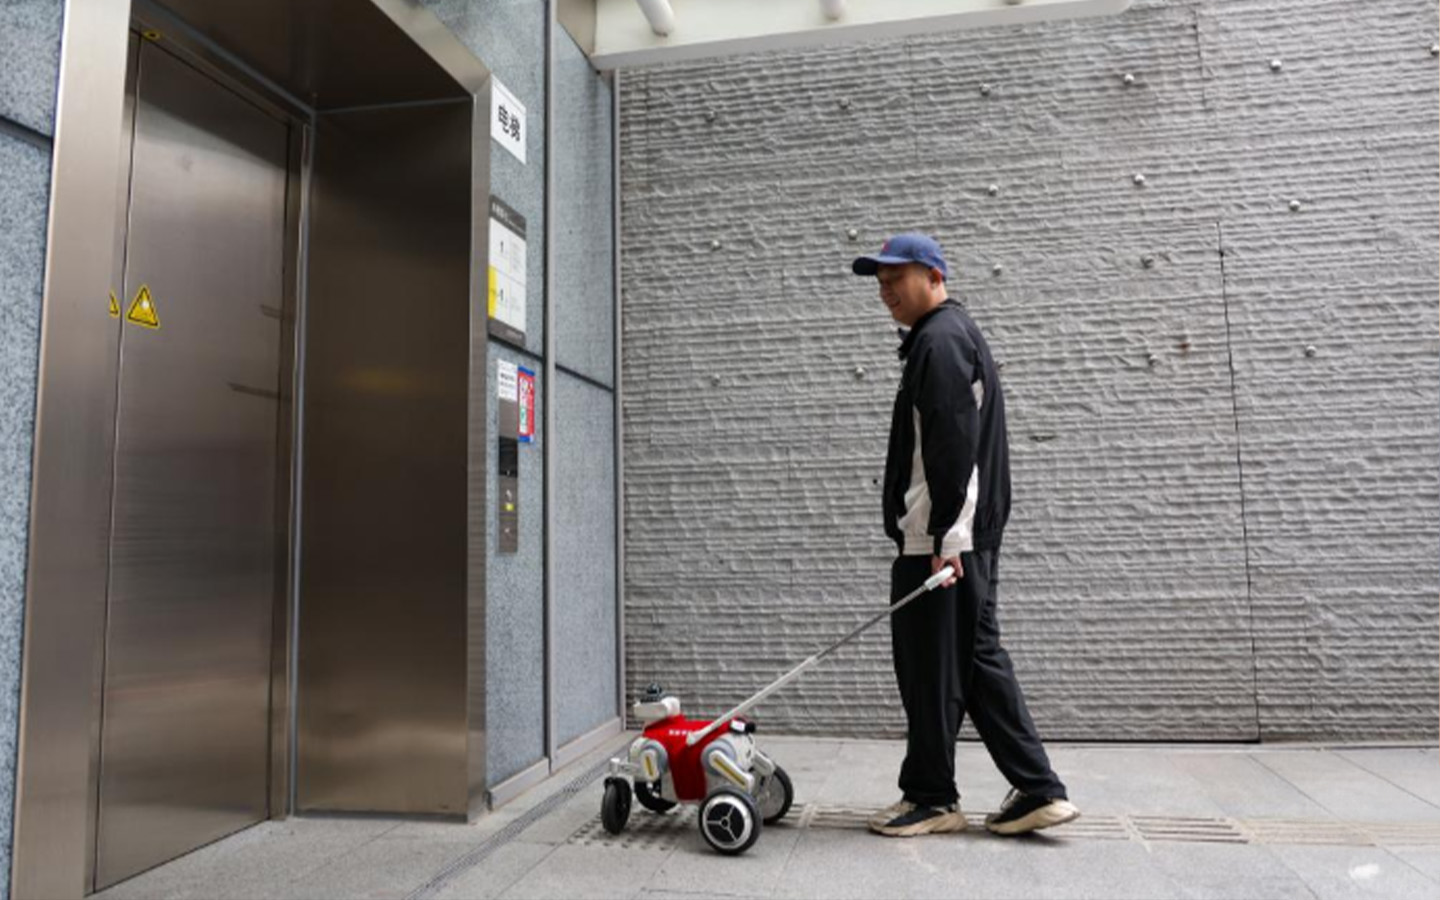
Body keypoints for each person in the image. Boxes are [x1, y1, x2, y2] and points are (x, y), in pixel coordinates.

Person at [851, 233, 1080, 838]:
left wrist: (948, 543)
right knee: (974, 661)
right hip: (955, 538)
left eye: (895, 280)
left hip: (942, 542)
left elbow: (957, 451)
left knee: (930, 666)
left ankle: (931, 796)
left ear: (933, 274)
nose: (886, 293)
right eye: (879, 284)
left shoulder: (942, 341)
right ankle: (1037, 788)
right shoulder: (944, 338)